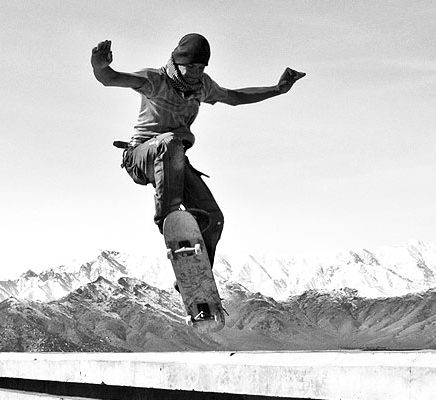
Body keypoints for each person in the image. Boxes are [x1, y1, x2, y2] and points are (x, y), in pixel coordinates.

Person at [90, 33, 305, 267]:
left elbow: (234, 97)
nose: (196, 73)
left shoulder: (203, 86)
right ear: (178, 62)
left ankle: (198, 277)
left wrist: (276, 89)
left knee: (213, 218)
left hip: (174, 162)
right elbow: (110, 78)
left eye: (201, 67)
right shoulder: (154, 80)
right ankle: (169, 221)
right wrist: (99, 65)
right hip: (141, 156)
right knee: (170, 142)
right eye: (191, 66)